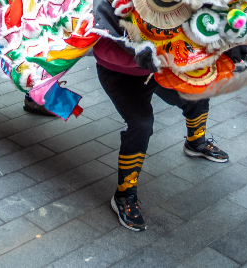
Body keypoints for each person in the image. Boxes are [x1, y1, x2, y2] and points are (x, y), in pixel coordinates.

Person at [93, 17, 228, 232]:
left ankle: (195, 142)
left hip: (162, 65)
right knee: (141, 124)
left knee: (198, 91)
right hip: (121, 72)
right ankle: (125, 194)